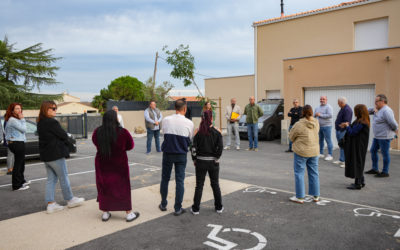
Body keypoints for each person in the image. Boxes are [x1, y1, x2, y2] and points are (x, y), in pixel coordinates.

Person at [37, 101, 85, 213]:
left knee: (51, 180)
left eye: (55, 108)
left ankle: (51, 204)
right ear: (46, 109)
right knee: (63, 177)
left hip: (46, 156)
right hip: (56, 154)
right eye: (53, 108)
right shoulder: (52, 122)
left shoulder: (40, 122)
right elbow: (63, 135)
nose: (55, 110)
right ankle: (70, 199)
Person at [92, 110, 139, 222]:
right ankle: (128, 213)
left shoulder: (97, 132)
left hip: (102, 164)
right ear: (115, 119)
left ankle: (105, 212)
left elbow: (95, 142)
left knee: (104, 186)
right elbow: (130, 145)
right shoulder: (123, 132)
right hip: (119, 164)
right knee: (122, 187)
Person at [159, 99, 194, 216]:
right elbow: (190, 139)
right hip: (181, 155)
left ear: (175, 108)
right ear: (184, 109)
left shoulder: (166, 120)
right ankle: (177, 208)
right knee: (180, 181)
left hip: (168, 153)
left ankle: (163, 204)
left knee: (165, 179)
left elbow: (164, 133)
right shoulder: (189, 123)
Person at [190, 110, 224, 215]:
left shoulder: (198, 132)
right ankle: (219, 207)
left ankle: (196, 209)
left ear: (202, 119)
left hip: (200, 161)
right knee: (215, 184)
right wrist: (216, 157)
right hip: (213, 162)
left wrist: (194, 159)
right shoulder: (217, 132)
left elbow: (193, 148)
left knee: (199, 185)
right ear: (212, 119)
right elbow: (220, 148)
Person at [289, 105, 320, 204]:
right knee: (314, 173)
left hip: (301, 151)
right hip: (314, 151)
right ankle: (316, 196)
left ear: (302, 113)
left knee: (299, 174)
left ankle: (300, 197)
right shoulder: (316, 122)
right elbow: (317, 132)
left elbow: (291, 136)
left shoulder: (299, 124)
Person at [365, 94, 398, 177]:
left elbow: (393, 123)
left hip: (385, 136)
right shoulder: (378, 109)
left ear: (382, 101)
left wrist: (395, 130)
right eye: (375, 101)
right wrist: (374, 109)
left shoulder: (386, 111)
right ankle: (375, 169)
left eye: (376, 101)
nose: (375, 103)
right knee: (373, 150)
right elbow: (366, 111)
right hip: (377, 136)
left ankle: (385, 172)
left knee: (385, 153)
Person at [340, 104, 370, 190]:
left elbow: (353, 132)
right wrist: (347, 125)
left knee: (358, 163)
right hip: (358, 145)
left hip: (359, 146)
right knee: (359, 162)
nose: (355, 113)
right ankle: (362, 181)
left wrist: (347, 126)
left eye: (356, 111)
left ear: (359, 112)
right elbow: (354, 129)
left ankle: (358, 184)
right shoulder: (361, 120)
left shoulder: (362, 122)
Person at [4, 103, 29, 191]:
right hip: (16, 143)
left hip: (18, 142)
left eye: (20, 108)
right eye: (17, 108)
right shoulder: (12, 120)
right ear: (12, 110)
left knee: (21, 163)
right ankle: (16, 185)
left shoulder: (15, 119)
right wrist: (23, 119)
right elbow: (24, 129)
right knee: (18, 164)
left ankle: (21, 181)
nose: (19, 110)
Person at [334, 97, 353, 168]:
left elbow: (347, 121)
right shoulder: (342, 108)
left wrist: (342, 128)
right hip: (339, 130)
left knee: (345, 146)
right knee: (341, 145)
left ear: (341, 102)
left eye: (338, 103)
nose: (338, 104)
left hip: (343, 130)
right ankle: (341, 160)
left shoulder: (347, 109)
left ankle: (346, 162)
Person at [315, 96, 334, 161]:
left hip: (327, 126)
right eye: (321, 99)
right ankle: (321, 153)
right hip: (319, 126)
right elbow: (315, 115)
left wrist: (320, 115)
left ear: (326, 100)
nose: (322, 100)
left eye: (323, 99)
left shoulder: (328, 107)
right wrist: (315, 115)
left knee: (328, 140)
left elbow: (330, 115)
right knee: (320, 140)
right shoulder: (317, 107)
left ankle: (330, 154)